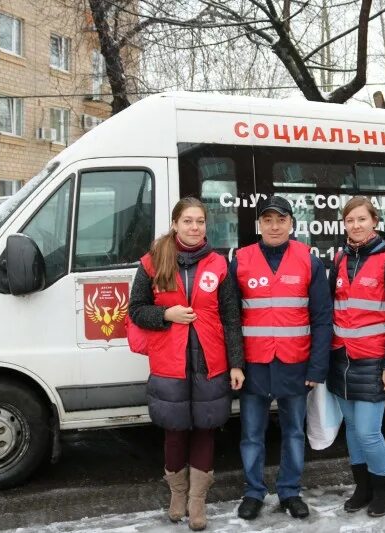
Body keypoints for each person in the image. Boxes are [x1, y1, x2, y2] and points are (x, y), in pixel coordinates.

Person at [127, 197, 245, 531]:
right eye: (188, 221)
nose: (195, 227)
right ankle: (177, 495)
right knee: (176, 432)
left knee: (205, 430)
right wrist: (166, 314)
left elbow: (231, 317)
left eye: (200, 221)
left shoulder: (219, 264)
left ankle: (197, 503)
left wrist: (237, 363)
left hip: (212, 363)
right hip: (170, 363)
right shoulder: (153, 262)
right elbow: (135, 309)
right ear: (175, 223)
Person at [231, 195, 333, 521]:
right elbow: (231, 318)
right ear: (259, 224)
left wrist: (317, 366)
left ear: (291, 223)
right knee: (251, 434)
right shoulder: (241, 260)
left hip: (295, 363)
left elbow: (321, 318)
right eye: (268, 220)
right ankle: (253, 492)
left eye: (281, 219)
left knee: (293, 431)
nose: (274, 226)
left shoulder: (309, 261)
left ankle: (290, 491)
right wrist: (235, 363)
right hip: (254, 365)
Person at [327, 196, 385, 517]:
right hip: (342, 359)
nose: (356, 225)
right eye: (350, 220)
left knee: (368, 431)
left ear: (374, 221)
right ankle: (361, 487)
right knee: (351, 427)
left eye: (361, 219)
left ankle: (381, 490)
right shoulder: (339, 259)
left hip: (374, 361)